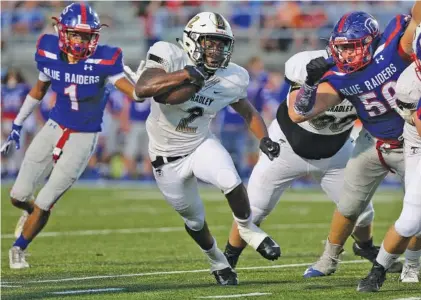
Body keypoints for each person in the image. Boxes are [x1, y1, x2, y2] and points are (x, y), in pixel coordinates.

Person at [126, 12, 281, 285]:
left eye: (221, 44)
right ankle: (217, 261)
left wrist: (263, 137)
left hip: (199, 144)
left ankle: (247, 229)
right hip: (166, 159)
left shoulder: (233, 76)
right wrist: (185, 74)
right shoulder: (168, 54)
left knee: (231, 180)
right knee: (195, 221)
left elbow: (248, 111)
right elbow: (142, 89)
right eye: (210, 42)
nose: (216, 49)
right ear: (192, 40)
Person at [222, 48, 393, 271]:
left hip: (335, 151)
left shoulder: (375, 74)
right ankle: (228, 259)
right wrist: (311, 81)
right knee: (253, 211)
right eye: (347, 47)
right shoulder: (308, 65)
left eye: (357, 48)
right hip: (286, 147)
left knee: (361, 211)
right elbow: (296, 109)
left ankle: (366, 246)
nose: (352, 55)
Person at [2, 3, 143, 269]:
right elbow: (38, 90)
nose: (81, 40)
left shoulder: (106, 59)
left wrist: (144, 87)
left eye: (87, 35)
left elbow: (133, 93)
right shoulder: (48, 51)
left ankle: (19, 247)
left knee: (46, 200)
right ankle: (29, 213)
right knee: (18, 196)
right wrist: (18, 124)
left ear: (95, 36)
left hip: (84, 135)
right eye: (76, 34)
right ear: (63, 32)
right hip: (54, 126)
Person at [287, 6, 421, 278]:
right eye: (342, 48)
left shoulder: (395, 49)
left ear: (371, 41)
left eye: (353, 47)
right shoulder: (337, 75)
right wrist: (310, 84)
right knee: (348, 206)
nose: (346, 54)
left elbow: (417, 17)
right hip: (372, 143)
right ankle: (328, 258)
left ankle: (412, 263)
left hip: (412, 142)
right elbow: (297, 114)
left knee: (417, 211)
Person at [357, 23, 421, 292]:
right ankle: (378, 270)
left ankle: (412, 263)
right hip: (418, 140)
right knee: (411, 218)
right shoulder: (409, 86)